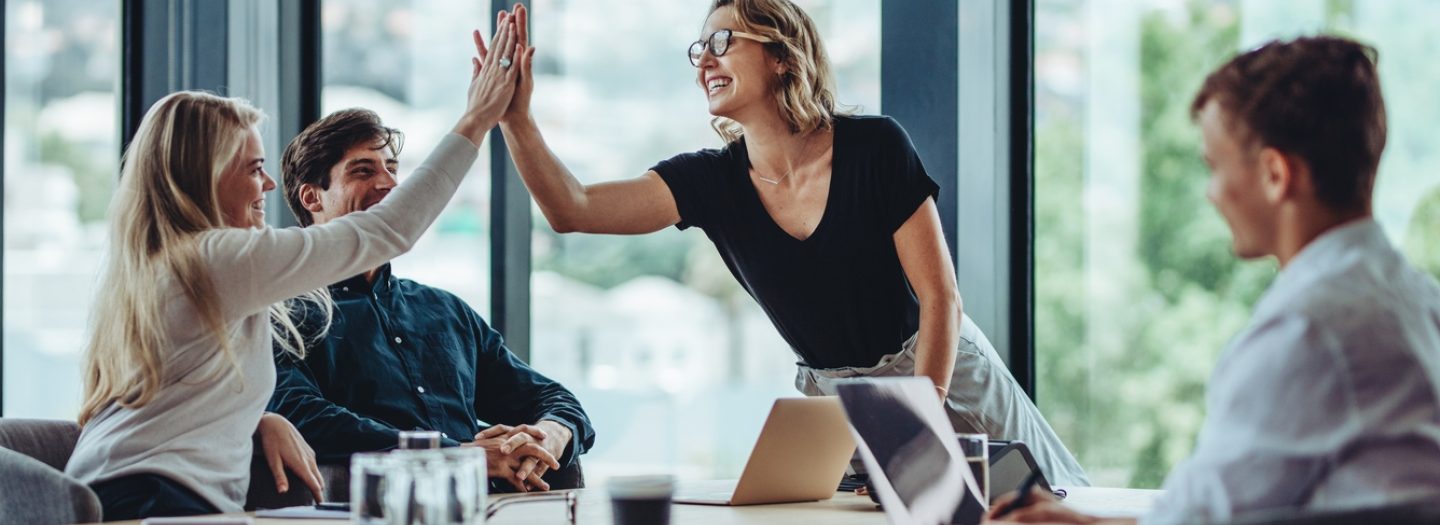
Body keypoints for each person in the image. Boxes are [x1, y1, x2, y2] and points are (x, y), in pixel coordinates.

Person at [489, 0, 1088, 485]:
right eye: (699, 49)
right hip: (836, 400)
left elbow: (941, 298)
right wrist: (516, 118)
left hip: (942, 366)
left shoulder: (875, 147)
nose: (704, 61)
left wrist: (917, 417)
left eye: (723, 41)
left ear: (781, 55)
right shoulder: (709, 182)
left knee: (1054, 503)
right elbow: (573, 209)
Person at [63, 13, 524, 520]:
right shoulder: (213, 259)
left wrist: (260, 419)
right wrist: (476, 120)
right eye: (253, 169)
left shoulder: (163, 265)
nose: (268, 186)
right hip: (153, 501)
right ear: (205, 176)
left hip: (117, 491)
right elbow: (388, 230)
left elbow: (178, 395)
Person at [991, 36, 1440, 525]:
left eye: (1214, 167)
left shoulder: (1308, 330)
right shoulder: (1417, 299)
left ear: (1275, 174)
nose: (1211, 194)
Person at [268, 108, 596, 493]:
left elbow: (551, 397)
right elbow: (300, 415)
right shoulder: (282, 314)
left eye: (391, 168)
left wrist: (550, 434)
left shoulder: (445, 310)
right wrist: (455, 454)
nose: (389, 183)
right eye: (363, 170)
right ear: (312, 197)